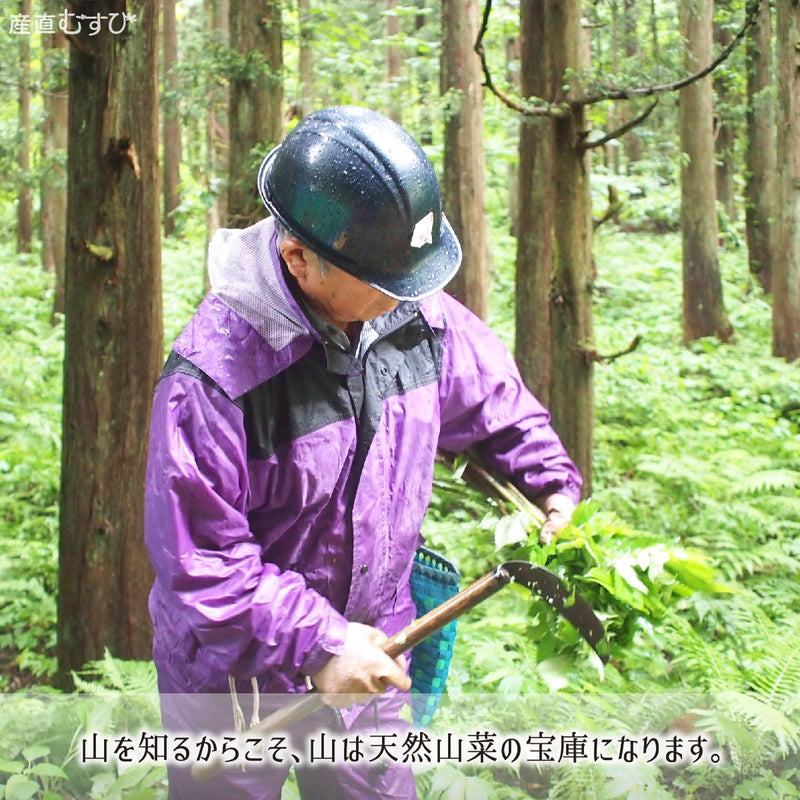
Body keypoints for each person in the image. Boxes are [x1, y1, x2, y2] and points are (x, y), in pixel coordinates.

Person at [144, 105, 581, 800]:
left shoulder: (412, 311)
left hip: (375, 647)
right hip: (232, 677)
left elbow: (493, 400)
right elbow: (204, 564)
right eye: (390, 283)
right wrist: (320, 643)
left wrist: (549, 480)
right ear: (300, 261)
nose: (412, 298)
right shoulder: (216, 376)